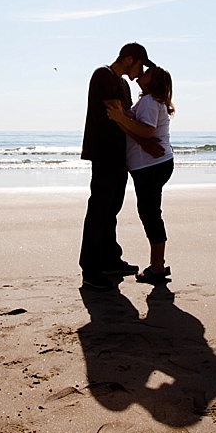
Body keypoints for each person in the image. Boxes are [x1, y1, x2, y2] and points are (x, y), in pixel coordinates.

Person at [79, 42, 162, 289]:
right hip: (104, 152)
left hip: (119, 154)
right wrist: (144, 143)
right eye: (140, 64)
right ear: (129, 59)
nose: (140, 70)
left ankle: (110, 259)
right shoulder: (103, 75)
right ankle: (90, 269)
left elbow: (126, 119)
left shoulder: (124, 84)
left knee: (112, 208)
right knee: (99, 209)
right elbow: (118, 117)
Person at [107, 64, 175, 283]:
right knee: (149, 212)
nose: (142, 73)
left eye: (147, 73)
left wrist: (119, 117)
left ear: (153, 81)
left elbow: (147, 130)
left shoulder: (149, 101)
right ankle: (158, 265)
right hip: (153, 164)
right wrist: (120, 117)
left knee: (150, 213)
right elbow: (136, 129)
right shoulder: (148, 101)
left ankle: (157, 267)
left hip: (151, 166)